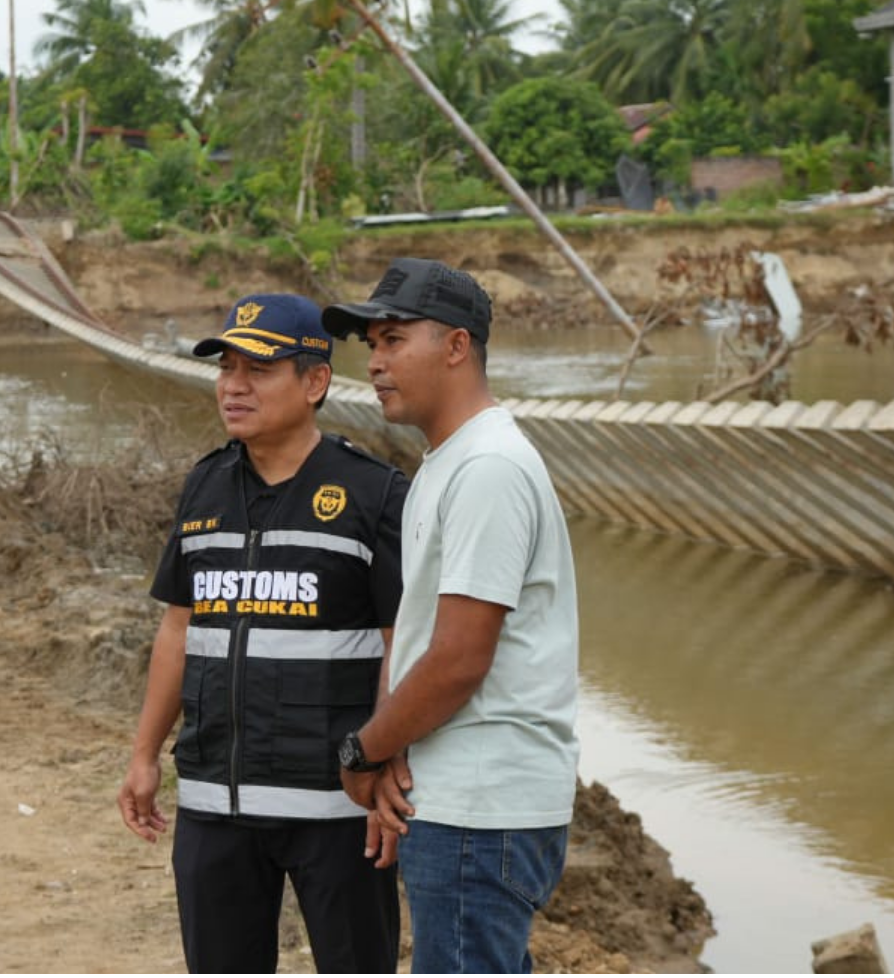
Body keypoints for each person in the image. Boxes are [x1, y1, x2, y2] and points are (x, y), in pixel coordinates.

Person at [118, 293, 408, 974]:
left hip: (339, 808)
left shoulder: (374, 495)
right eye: (226, 368)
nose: (233, 386)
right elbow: (178, 629)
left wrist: (388, 764)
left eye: (258, 369)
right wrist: (144, 753)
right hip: (215, 802)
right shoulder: (205, 487)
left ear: (314, 381)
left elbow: (402, 643)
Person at [321, 257, 580, 974]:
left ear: (457, 346)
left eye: (394, 339)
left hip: (481, 806)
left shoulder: (487, 468)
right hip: (458, 796)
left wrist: (363, 750)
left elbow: (461, 657)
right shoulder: (448, 462)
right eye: (370, 344)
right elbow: (420, 641)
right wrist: (395, 753)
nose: (374, 363)